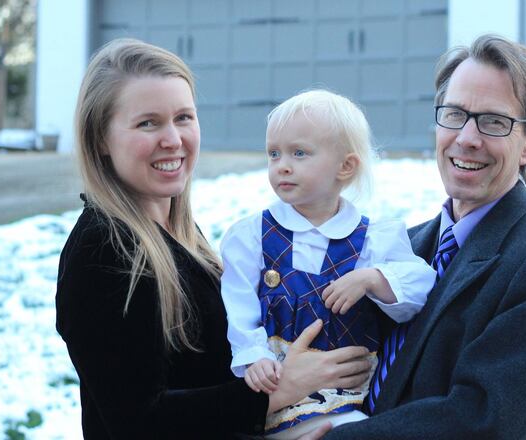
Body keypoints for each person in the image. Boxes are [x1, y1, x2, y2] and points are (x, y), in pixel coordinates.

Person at [54, 39, 371, 439]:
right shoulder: (104, 250)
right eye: (148, 123)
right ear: (100, 138)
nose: (173, 139)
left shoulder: (176, 233)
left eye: (183, 117)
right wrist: (280, 390)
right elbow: (137, 423)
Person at [324, 34, 526, 439]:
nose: (467, 138)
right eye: (454, 114)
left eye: (494, 121)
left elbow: (485, 419)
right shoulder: (403, 249)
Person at [220, 90, 436, 439]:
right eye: (274, 153)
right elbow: (239, 308)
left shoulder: (372, 239)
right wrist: (254, 356)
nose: (282, 165)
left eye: (299, 153)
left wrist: (371, 278)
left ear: (345, 167)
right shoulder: (251, 236)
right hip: (271, 402)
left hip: (344, 407)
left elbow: (419, 289)